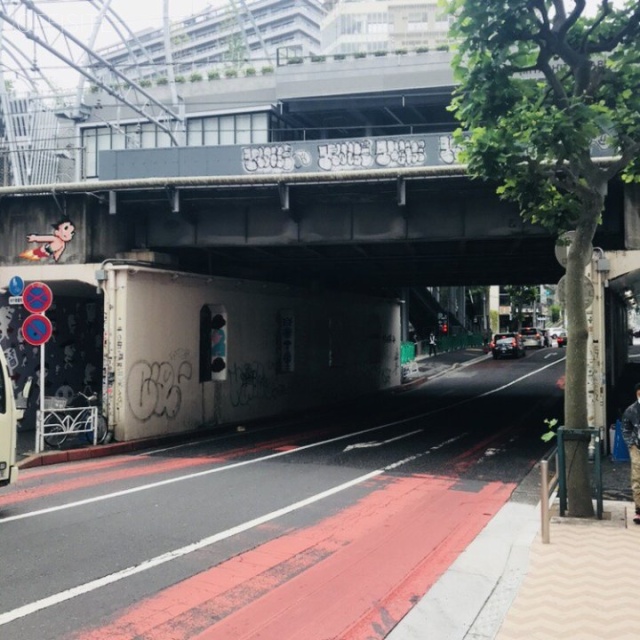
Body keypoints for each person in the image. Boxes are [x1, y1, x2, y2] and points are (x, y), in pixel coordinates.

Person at [621, 382, 640, 524]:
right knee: (637, 478)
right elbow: (625, 428)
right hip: (637, 447)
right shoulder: (631, 411)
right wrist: (631, 444)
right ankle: (639, 510)